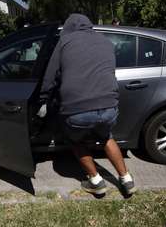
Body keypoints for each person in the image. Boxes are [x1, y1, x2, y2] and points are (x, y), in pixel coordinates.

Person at [37, 13, 135, 195]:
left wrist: (43, 99)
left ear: (68, 28)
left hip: (77, 111)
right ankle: (126, 178)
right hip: (109, 106)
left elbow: (50, 76)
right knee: (106, 137)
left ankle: (96, 182)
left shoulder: (64, 42)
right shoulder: (105, 41)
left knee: (76, 140)